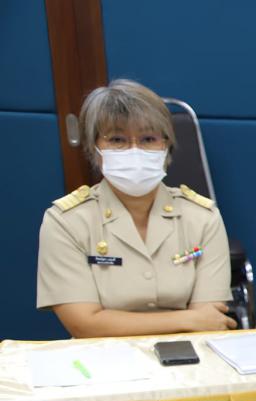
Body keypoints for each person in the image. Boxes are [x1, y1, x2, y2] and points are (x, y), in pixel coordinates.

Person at [36, 79, 235, 338]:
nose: (134, 150)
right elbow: (83, 324)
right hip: (103, 355)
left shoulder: (203, 217)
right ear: (95, 149)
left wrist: (196, 321)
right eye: (117, 139)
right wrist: (188, 319)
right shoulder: (66, 221)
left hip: (189, 354)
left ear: (166, 146)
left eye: (148, 139)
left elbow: (209, 320)